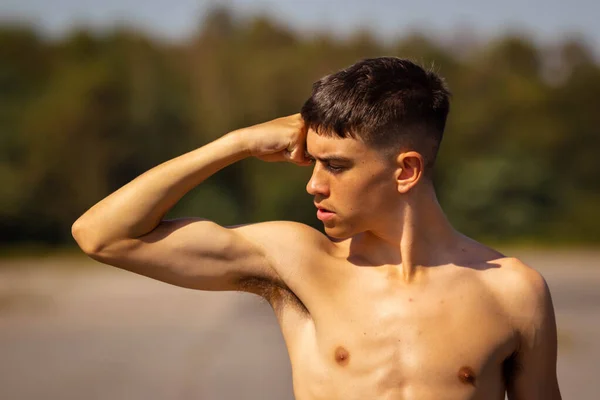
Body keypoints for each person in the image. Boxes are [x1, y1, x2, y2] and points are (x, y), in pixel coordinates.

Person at [72, 57, 561, 400]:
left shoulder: (513, 292)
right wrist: (235, 143)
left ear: (406, 170)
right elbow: (103, 235)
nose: (313, 185)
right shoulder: (298, 262)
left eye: (337, 166)